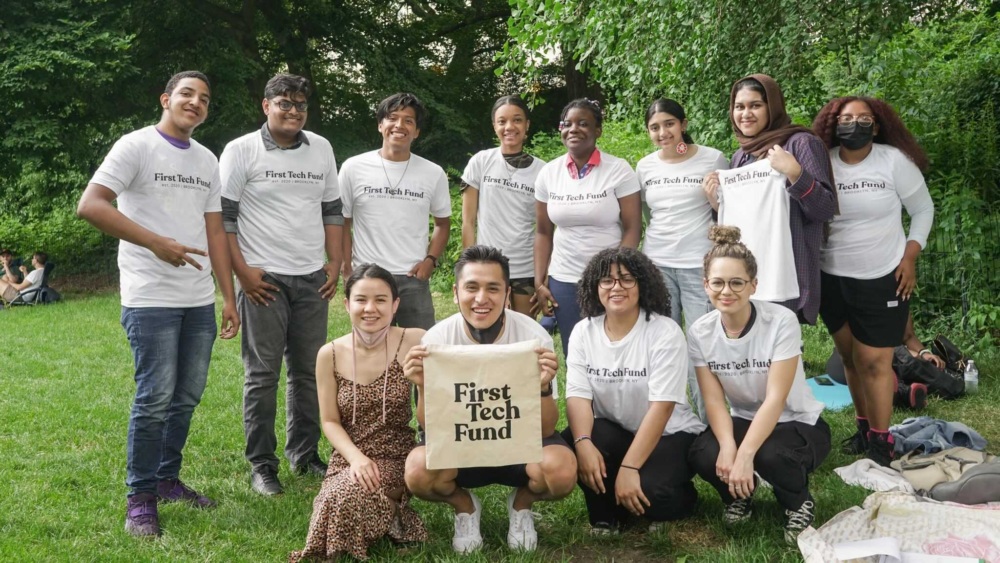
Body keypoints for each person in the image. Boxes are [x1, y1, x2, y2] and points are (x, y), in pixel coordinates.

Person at [76, 70, 240, 537]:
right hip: (149, 298)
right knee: (154, 400)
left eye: (205, 98)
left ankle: (167, 479)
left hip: (197, 301)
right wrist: (155, 243)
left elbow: (214, 232)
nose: (196, 102)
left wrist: (228, 297)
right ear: (166, 98)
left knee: (185, 397)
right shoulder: (136, 146)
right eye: (187, 93)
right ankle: (140, 498)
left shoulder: (209, 160)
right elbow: (91, 204)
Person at [403, 245, 576, 553]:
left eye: (492, 288)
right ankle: (465, 506)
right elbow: (429, 426)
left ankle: (521, 505)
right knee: (417, 471)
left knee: (561, 470)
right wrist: (422, 385)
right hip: (462, 447)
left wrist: (544, 387)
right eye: (472, 288)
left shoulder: (533, 336)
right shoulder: (436, 340)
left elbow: (547, 429)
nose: (482, 298)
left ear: (507, 293)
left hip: (517, 446)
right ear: (455, 292)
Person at [219, 73, 344, 495]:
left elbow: (331, 209)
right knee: (263, 374)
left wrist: (336, 261)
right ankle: (262, 464)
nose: (293, 111)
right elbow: (224, 218)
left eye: (300, 105)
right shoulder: (241, 150)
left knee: (310, 373)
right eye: (284, 103)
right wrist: (242, 272)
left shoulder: (321, 148)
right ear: (265, 105)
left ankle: (304, 455)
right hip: (264, 280)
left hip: (312, 278)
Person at [687, 226, 830, 546]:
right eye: (718, 282)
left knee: (768, 454)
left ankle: (798, 503)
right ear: (705, 285)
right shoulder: (699, 332)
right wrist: (728, 448)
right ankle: (739, 494)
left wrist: (745, 453)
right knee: (703, 451)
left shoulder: (780, 322)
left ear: (753, 285)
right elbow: (713, 401)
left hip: (797, 422)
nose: (727, 291)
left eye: (737, 282)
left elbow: (775, 399)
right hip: (743, 418)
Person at [812, 96, 934, 465]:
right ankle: (864, 428)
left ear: (877, 126)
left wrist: (910, 256)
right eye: (847, 118)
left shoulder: (893, 161)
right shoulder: (823, 162)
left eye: (864, 118)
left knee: (874, 362)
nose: (855, 124)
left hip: (883, 276)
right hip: (832, 276)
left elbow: (923, 209)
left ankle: (882, 443)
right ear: (834, 125)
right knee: (849, 358)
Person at [562, 247, 706, 535]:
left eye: (627, 279)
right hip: (617, 430)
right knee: (579, 441)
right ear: (595, 286)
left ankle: (681, 498)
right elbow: (578, 395)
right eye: (607, 280)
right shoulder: (583, 332)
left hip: (670, 433)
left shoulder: (664, 331)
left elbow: (662, 408)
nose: (616, 287)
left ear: (643, 284)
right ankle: (606, 517)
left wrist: (628, 469)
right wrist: (583, 442)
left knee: (653, 492)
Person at [290, 264, 426, 561]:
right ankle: (391, 517)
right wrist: (356, 459)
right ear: (347, 304)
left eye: (380, 300)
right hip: (348, 455)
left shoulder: (415, 340)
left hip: (396, 454)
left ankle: (334, 549)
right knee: (335, 495)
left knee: (348, 496)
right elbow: (329, 421)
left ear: (395, 305)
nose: (370, 308)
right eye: (361, 299)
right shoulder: (330, 353)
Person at [701, 74, 837, 325]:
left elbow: (825, 208)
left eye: (755, 105)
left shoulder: (800, 144)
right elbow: (747, 215)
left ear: (772, 107)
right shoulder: (741, 157)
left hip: (784, 275)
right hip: (745, 276)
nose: (746, 114)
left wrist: (795, 173)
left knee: (781, 352)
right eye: (739, 107)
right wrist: (716, 203)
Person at [637, 97, 729, 420]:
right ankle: (674, 420)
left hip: (699, 265)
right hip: (657, 264)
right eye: (655, 127)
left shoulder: (713, 158)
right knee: (665, 343)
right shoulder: (645, 166)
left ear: (683, 124)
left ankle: (709, 422)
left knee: (700, 345)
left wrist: (714, 200)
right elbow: (649, 214)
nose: (663, 132)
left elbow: (729, 212)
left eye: (669, 124)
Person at [533, 98, 642, 357]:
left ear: (598, 131)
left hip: (609, 277)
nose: (574, 129)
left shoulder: (619, 170)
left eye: (583, 123)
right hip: (564, 279)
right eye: (567, 124)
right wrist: (539, 280)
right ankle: (581, 399)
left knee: (616, 350)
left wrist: (615, 272)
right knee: (576, 352)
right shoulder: (548, 173)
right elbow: (542, 232)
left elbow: (633, 229)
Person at [339, 92, 451, 330]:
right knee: (370, 349)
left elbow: (443, 223)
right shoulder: (353, 168)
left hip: (413, 278)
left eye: (408, 120)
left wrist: (430, 261)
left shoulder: (433, 173)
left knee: (420, 350)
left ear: (417, 131)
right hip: (368, 275)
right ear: (381, 125)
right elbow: (343, 223)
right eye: (392, 118)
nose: (399, 125)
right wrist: (346, 267)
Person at [461, 95, 546, 317]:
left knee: (522, 334)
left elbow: (545, 229)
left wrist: (542, 274)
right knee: (487, 333)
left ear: (527, 124)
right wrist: (468, 265)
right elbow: (468, 222)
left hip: (526, 267)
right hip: (487, 266)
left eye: (517, 120)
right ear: (494, 126)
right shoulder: (480, 161)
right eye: (502, 121)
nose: (509, 127)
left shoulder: (543, 171)